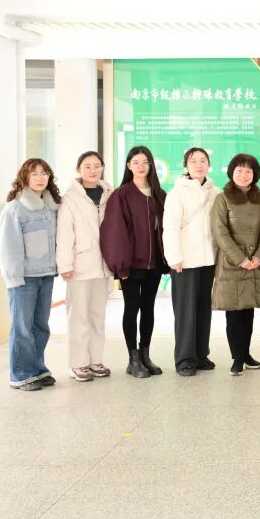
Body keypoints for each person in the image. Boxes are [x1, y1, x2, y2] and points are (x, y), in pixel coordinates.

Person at [100, 146, 168, 378]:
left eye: (145, 162)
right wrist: (121, 266)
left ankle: (145, 355)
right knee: (131, 308)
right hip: (131, 265)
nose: (141, 166)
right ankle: (133, 359)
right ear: (128, 165)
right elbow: (114, 232)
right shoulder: (121, 194)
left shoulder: (159, 194)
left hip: (154, 264)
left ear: (151, 166)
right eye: (136, 162)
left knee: (148, 309)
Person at [0, 158, 60, 391]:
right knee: (22, 327)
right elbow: (8, 247)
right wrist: (13, 279)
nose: (40, 178)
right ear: (25, 178)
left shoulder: (51, 206)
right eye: (35, 174)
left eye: (44, 173)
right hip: (24, 279)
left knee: (40, 326)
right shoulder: (14, 209)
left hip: (46, 274)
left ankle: (37, 369)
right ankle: (21, 374)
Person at [162, 147, 220, 376]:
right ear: (186, 166)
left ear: (209, 165)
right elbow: (170, 228)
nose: (198, 164)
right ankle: (185, 359)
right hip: (185, 262)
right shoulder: (177, 193)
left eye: (203, 160)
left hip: (208, 260)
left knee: (204, 309)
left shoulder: (216, 192)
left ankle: (201, 354)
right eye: (193, 161)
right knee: (186, 312)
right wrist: (174, 257)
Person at [56, 151, 113, 383]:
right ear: (78, 169)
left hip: (103, 265)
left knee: (98, 316)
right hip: (80, 265)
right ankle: (77, 363)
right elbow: (64, 234)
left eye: (97, 166)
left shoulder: (109, 194)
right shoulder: (69, 199)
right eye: (87, 166)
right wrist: (65, 265)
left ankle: (95, 360)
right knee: (78, 317)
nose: (93, 170)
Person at [211, 153, 260, 376]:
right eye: (239, 170)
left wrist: (259, 256)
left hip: (255, 262)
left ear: (255, 174)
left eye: (248, 171)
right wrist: (241, 259)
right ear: (231, 172)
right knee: (234, 313)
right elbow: (220, 232)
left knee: (248, 311)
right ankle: (237, 358)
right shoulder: (222, 198)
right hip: (232, 263)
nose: (244, 175)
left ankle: (245, 354)